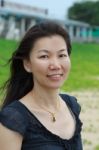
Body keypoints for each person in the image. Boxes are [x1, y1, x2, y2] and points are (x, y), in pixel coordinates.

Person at [0, 20, 83, 150]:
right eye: (44, 56)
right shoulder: (14, 118)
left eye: (62, 55)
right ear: (27, 64)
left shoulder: (72, 106)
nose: (55, 65)